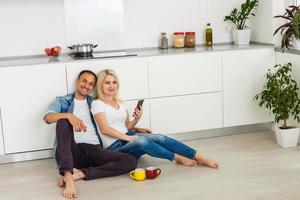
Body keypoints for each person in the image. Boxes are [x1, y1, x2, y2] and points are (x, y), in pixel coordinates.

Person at [91, 68, 219, 169]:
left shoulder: (120, 103)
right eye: (107, 82)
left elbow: (126, 127)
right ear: (100, 85)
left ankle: (198, 156)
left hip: (128, 136)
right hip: (115, 147)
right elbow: (105, 129)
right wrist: (129, 138)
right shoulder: (97, 104)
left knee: (159, 137)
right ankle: (176, 158)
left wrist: (136, 119)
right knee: (142, 142)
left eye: (114, 82)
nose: (112, 86)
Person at [43, 70, 137, 199]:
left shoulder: (96, 103)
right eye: (84, 81)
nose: (87, 86)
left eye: (91, 84)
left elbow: (112, 123)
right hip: (71, 150)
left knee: (130, 161)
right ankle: (68, 176)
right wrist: (68, 115)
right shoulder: (63, 101)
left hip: (94, 149)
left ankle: (82, 173)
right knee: (63, 122)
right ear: (77, 81)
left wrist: (137, 127)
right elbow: (47, 118)